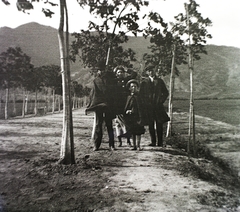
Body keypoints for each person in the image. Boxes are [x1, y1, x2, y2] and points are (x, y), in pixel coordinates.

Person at [85, 62, 116, 151]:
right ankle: (96, 144)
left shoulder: (110, 80)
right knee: (98, 124)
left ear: (105, 70)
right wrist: (97, 103)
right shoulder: (96, 81)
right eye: (99, 70)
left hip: (109, 105)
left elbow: (112, 93)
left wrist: (109, 102)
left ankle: (111, 145)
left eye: (102, 70)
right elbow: (95, 94)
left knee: (109, 125)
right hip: (99, 105)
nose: (101, 72)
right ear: (97, 71)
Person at [139, 65, 170, 147]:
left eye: (152, 70)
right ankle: (153, 142)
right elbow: (141, 94)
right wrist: (144, 103)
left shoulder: (160, 81)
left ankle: (160, 142)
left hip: (158, 107)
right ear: (146, 72)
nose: (151, 72)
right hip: (148, 107)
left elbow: (166, 93)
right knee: (150, 124)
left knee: (159, 124)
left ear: (154, 71)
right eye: (149, 71)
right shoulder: (144, 82)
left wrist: (161, 101)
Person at [114, 66, 137, 147]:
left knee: (127, 123)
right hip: (117, 105)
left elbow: (134, 74)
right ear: (116, 74)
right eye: (118, 72)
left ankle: (128, 141)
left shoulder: (126, 80)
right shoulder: (114, 81)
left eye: (121, 72)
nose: (120, 73)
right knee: (118, 124)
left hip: (126, 104)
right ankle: (119, 141)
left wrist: (127, 70)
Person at [124, 79, 145, 151]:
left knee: (138, 131)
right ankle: (134, 145)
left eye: (135, 86)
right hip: (131, 117)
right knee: (132, 131)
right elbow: (127, 106)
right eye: (132, 86)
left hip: (138, 116)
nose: (133, 88)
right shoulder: (128, 97)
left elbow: (140, 107)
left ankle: (138, 145)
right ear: (129, 88)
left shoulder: (139, 97)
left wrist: (133, 111)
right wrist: (127, 111)